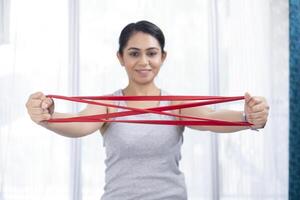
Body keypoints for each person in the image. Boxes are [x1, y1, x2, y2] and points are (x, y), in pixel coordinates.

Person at [25, 20, 269, 200]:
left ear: (162, 57)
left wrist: (249, 117)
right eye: (134, 53)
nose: (144, 62)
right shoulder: (109, 104)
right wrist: (46, 116)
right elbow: (78, 122)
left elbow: (213, 118)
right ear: (120, 58)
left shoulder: (175, 104)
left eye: (151, 53)